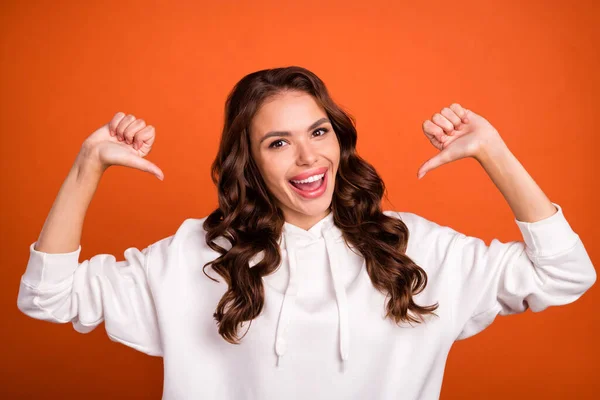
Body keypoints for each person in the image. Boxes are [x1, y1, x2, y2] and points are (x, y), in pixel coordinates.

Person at [17, 66, 596, 400]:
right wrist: (86, 167)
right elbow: (47, 297)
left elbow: (566, 273)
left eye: (318, 132)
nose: (307, 157)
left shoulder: (416, 248)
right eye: (278, 142)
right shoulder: (195, 257)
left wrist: (494, 153)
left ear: (339, 139)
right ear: (249, 162)